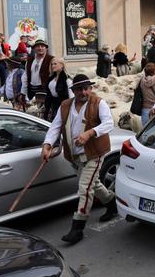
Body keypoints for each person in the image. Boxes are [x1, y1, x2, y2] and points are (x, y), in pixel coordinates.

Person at [41, 74, 119, 244]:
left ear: (90, 88)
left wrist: (90, 133)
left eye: (86, 88)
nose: (83, 92)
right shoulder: (65, 105)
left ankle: (77, 228)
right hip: (74, 155)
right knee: (94, 184)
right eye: (79, 89)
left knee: (85, 188)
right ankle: (112, 203)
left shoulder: (99, 103)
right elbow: (55, 127)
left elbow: (108, 123)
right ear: (73, 90)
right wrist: (47, 144)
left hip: (94, 153)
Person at [20, 39, 54, 105]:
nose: (40, 48)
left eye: (42, 46)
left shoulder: (51, 59)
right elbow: (25, 77)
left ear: (46, 48)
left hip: (45, 90)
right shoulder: (30, 60)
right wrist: (23, 93)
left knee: (43, 111)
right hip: (31, 90)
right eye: (38, 46)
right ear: (34, 48)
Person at [43, 57, 72, 122]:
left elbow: (71, 96)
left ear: (61, 65)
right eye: (52, 64)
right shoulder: (51, 78)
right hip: (53, 106)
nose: (53, 66)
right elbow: (49, 94)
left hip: (63, 106)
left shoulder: (67, 79)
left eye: (55, 64)